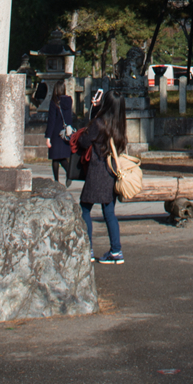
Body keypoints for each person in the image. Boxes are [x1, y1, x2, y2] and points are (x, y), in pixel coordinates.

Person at [72, 91, 127, 266]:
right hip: (111, 172)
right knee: (109, 213)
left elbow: (84, 142)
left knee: (85, 208)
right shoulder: (119, 125)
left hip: (97, 171)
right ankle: (116, 250)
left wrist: (93, 115)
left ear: (107, 104)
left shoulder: (99, 123)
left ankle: (87, 248)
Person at [44, 86, 76, 187]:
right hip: (66, 133)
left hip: (56, 133)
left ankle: (56, 181)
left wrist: (48, 137)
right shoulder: (68, 101)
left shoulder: (54, 102)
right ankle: (69, 174)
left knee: (55, 159)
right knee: (62, 158)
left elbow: (51, 120)